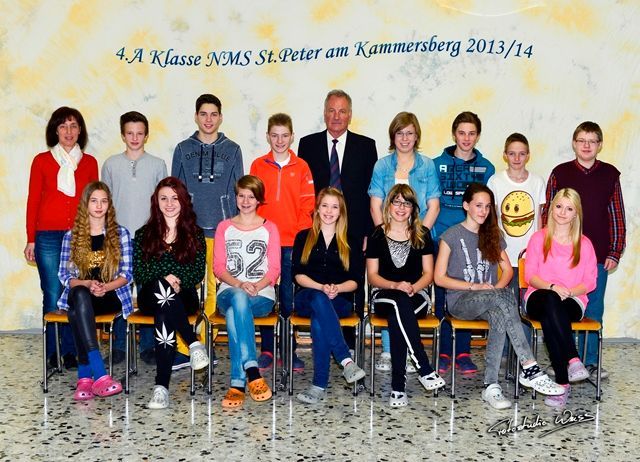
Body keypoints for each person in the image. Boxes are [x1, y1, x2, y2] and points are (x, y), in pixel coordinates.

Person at [434, 183, 564, 410]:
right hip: (461, 301)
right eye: (478, 205)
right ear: (466, 206)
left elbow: (508, 271)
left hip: (489, 300)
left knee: (500, 314)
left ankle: (490, 386)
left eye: (487, 207)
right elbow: (439, 278)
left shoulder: (493, 235)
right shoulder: (451, 236)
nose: (483, 211)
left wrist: (493, 291)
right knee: (503, 297)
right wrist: (474, 287)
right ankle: (530, 367)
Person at [542, 121, 626, 380]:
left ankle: (589, 363)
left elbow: (617, 215)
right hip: (562, 256)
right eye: (581, 140)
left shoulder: (610, 174)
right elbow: (548, 212)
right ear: (574, 143)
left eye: (592, 141)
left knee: (593, 309)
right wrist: (546, 247)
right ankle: (564, 360)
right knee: (560, 307)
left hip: (598, 255)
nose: (586, 145)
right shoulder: (560, 173)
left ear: (600, 145)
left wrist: (615, 251)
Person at [298, 89, 378, 347]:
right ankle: (324, 341)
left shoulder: (366, 146)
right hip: (319, 228)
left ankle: (350, 343)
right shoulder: (308, 144)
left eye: (342, 111)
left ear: (350, 115)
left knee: (352, 284)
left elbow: (371, 193)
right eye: (331, 110)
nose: (336, 116)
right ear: (324, 113)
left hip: (353, 229)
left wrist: (368, 232)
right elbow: (304, 191)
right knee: (319, 283)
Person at [171, 94, 244, 368]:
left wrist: (235, 227)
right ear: (196, 116)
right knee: (185, 287)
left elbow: (240, 191)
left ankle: (206, 345)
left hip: (220, 230)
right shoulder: (182, 149)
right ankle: (185, 347)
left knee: (214, 288)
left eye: (214, 114)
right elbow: (174, 191)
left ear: (221, 117)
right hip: (189, 231)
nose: (209, 119)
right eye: (203, 114)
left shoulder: (233, 149)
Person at [25, 106, 99, 371]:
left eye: (74, 126)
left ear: (80, 131)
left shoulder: (89, 163)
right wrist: (31, 239)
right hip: (47, 236)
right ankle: (52, 352)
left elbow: (94, 202)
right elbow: (33, 200)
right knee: (53, 292)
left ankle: (70, 351)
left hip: (79, 236)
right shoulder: (41, 161)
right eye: (63, 126)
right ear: (55, 131)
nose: (69, 131)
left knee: (74, 292)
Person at [368, 111, 440, 372]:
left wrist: (417, 236)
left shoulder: (427, 165)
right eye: (400, 133)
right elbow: (376, 204)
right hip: (388, 237)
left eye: (410, 133)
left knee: (407, 293)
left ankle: (404, 353)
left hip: (415, 238)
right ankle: (390, 351)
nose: (405, 138)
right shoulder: (382, 166)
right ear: (393, 136)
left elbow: (433, 204)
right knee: (393, 293)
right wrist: (386, 235)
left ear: (417, 136)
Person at [366, 184, 446, 407]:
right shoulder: (376, 234)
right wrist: (395, 285)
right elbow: (372, 276)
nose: (401, 208)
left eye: (407, 203)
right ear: (388, 205)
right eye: (397, 202)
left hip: (416, 295)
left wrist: (412, 287)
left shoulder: (422, 234)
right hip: (383, 294)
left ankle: (398, 388)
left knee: (398, 316)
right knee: (398, 303)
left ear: (413, 209)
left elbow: (428, 274)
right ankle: (423, 367)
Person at [133, 177, 209, 409]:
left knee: (164, 312)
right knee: (161, 291)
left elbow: (197, 272)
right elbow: (140, 272)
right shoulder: (143, 234)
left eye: (174, 198)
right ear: (156, 201)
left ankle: (161, 388)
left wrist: (178, 282)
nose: (169, 203)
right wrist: (164, 279)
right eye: (163, 198)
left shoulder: (195, 233)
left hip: (184, 296)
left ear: (183, 201)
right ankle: (193, 342)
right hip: (150, 295)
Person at [250, 113, 314, 372]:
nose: (279, 140)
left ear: (292, 137)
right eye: (274, 135)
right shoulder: (258, 165)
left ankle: (289, 349)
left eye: (284, 135)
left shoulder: (302, 167)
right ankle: (267, 349)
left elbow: (308, 206)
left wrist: (299, 238)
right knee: (266, 296)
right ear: (267, 136)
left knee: (288, 299)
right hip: (263, 243)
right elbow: (251, 202)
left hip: (290, 243)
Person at [102, 111, 167, 365]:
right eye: (130, 133)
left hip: (148, 238)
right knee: (120, 290)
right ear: (122, 135)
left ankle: (148, 345)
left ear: (146, 135)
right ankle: (119, 344)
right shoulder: (110, 164)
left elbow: (164, 203)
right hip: (118, 237)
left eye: (140, 133)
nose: (135, 138)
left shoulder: (158, 164)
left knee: (147, 290)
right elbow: (104, 203)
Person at [432, 111, 495, 375]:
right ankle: (443, 351)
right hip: (442, 239)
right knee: (444, 296)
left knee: (470, 293)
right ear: (454, 134)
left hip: (473, 241)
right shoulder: (436, 164)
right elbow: (431, 202)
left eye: (472, 133)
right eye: (461, 133)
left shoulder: (487, 168)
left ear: (477, 136)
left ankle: (463, 353)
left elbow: (488, 208)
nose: (466, 138)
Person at [524, 188, 598, 407]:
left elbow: (590, 282)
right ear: (551, 209)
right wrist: (553, 287)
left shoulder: (584, 243)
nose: (562, 212)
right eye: (558, 206)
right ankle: (573, 359)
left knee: (551, 318)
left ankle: (562, 384)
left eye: (569, 209)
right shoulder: (538, 238)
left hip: (573, 300)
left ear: (576, 213)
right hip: (539, 295)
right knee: (550, 300)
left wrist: (570, 291)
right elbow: (530, 276)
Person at [292, 187, 366, 404]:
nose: (329, 211)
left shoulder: (351, 241)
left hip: (340, 300)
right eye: (324, 205)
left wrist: (337, 288)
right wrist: (321, 287)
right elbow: (297, 275)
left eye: (334, 207)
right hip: (307, 297)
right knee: (318, 299)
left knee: (319, 320)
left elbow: (356, 280)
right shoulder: (303, 237)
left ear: (341, 212)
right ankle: (346, 360)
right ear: (317, 209)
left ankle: (318, 386)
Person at [57, 181, 130, 400]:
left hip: (110, 295)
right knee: (80, 295)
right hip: (83, 293)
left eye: (104, 201)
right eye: (94, 201)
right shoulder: (72, 236)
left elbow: (127, 275)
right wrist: (87, 284)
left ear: (109, 205)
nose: (99, 206)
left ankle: (85, 377)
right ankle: (99, 374)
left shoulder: (120, 233)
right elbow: (64, 276)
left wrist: (105, 286)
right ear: (85, 204)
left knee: (74, 312)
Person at [214, 175, 280, 409]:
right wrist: (240, 284)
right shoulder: (224, 227)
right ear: (235, 198)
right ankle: (252, 367)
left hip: (262, 296)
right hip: (228, 292)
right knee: (238, 298)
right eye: (241, 195)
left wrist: (257, 286)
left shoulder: (270, 228)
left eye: (251, 196)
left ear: (258, 199)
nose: (245, 201)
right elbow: (218, 268)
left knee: (235, 313)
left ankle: (238, 382)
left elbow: (274, 269)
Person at [487, 133, 546, 296]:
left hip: (529, 254)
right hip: (504, 254)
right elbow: (491, 218)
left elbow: (539, 217)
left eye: (522, 153)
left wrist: (540, 249)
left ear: (528, 155)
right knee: (506, 301)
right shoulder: (495, 181)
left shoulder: (537, 182)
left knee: (527, 301)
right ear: (505, 155)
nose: (517, 158)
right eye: (512, 153)